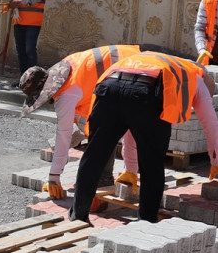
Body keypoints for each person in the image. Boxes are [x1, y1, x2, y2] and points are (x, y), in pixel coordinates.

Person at [69, 51, 214, 225]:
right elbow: (212, 124)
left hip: (109, 88)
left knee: (94, 156)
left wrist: (130, 169)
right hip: (146, 94)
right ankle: (146, 221)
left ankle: (78, 214)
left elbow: (131, 131)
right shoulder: (194, 77)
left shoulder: (157, 60)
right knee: (152, 164)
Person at [20, 44, 141, 199]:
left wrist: (54, 177)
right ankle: (120, 173)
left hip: (134, 68)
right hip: (130, 63)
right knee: (104, 127)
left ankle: (111, 176)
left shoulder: (66, 95)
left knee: (116, 124)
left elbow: (63, 135)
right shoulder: (66, 69)